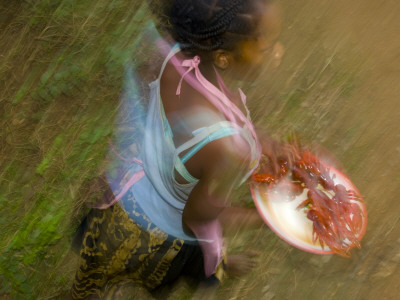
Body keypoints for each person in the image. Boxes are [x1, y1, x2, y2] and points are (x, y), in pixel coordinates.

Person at [70, 0, 287, 298]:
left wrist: (257, 139)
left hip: (128, 191)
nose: (278, 52)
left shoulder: (170, 49)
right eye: (266, 47)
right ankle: (216, 267)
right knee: (190, 262)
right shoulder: (220, 148)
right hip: (157, 232)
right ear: (222, 56)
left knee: (94, 272)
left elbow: (183, 116)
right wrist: (267, 218)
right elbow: (195, 218)